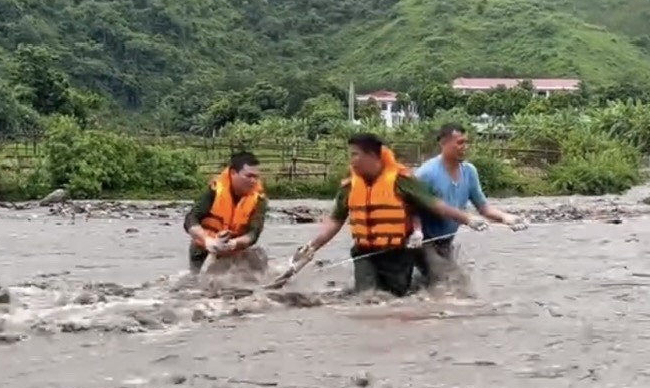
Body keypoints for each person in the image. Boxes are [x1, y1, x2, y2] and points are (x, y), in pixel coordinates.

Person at [291, 133, 488, 297]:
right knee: (365, 298)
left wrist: (468, 219)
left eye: (355, 155)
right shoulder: (350, 186)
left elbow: (435, 205)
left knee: (395, 298)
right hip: (364, 253)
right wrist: (312, 246)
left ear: (372, 156)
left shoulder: (401, 181)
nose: (352, 161)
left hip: (398, 254)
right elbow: (335, 221)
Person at [414, 123, 528, 286]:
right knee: (447, 283)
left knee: (453, 282)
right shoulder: (426, 173)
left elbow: (484, 208)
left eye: (466, 142)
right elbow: (420, 206)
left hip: (446, 241)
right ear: (444, 143)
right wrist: (466, 218)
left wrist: (507, 218)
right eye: (460, 142)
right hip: (424, 241)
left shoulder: (469, 171)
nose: (465, 147)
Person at [183, 151, 269, 275]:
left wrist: (234, 243)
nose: (253, 181)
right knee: (196, 285)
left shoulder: (259, 199)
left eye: (256, 177)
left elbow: (253, 233)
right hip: (205, 247)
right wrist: (208, 240)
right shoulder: (214, 191)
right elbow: (191, 219)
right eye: (249, 176)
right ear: (233, 173)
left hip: (234, 248)